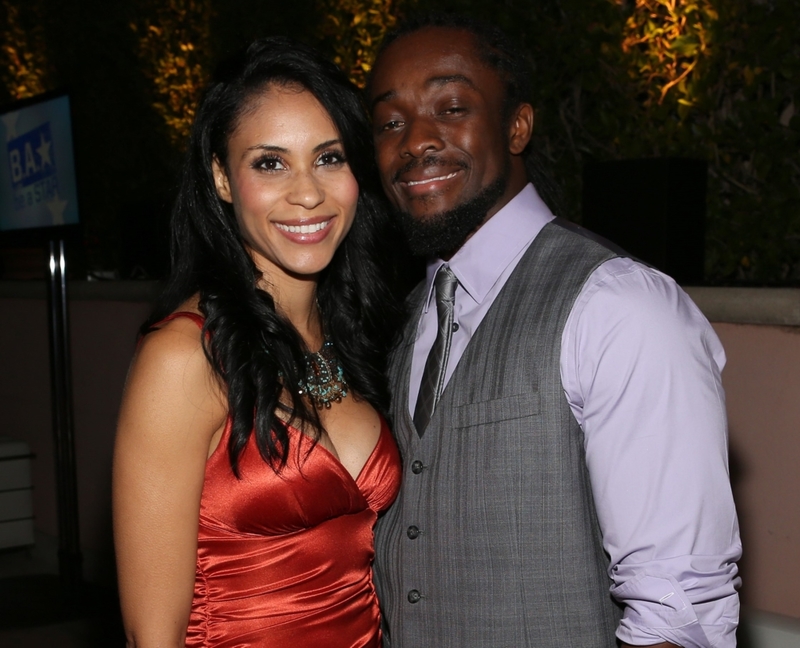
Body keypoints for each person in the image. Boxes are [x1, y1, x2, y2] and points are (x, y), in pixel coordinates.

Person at [367, 13, 741, 648]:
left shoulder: (619, 306)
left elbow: (680, 616)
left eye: (451, 106)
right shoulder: (403, 315)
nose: (414, 141)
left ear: (517, 126)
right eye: (389, 123)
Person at [113, 36, 403, 648]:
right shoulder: (184, 357)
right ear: (221, 177)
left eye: (329, 158)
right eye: (270, 163)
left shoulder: (355, 331)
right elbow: (150, 635)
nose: (308, 192)